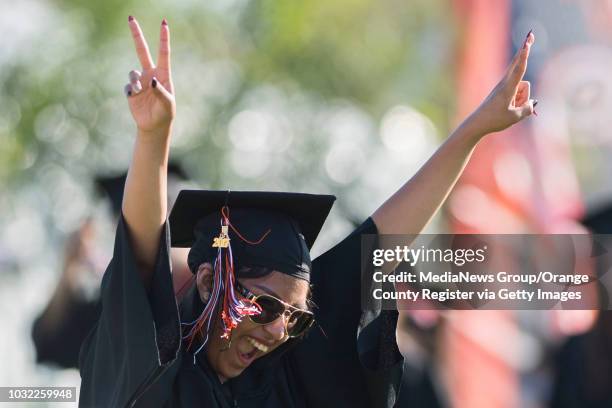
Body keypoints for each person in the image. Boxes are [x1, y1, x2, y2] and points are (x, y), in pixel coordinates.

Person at [78, 16, 538, 407]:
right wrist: (154, 137)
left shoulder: (278, 381)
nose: (278, 329)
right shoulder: (151, 371)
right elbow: (140, 264)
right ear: (205, 281)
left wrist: (472, 132)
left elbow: (375, 248)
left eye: (294, 317)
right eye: (265, 306)